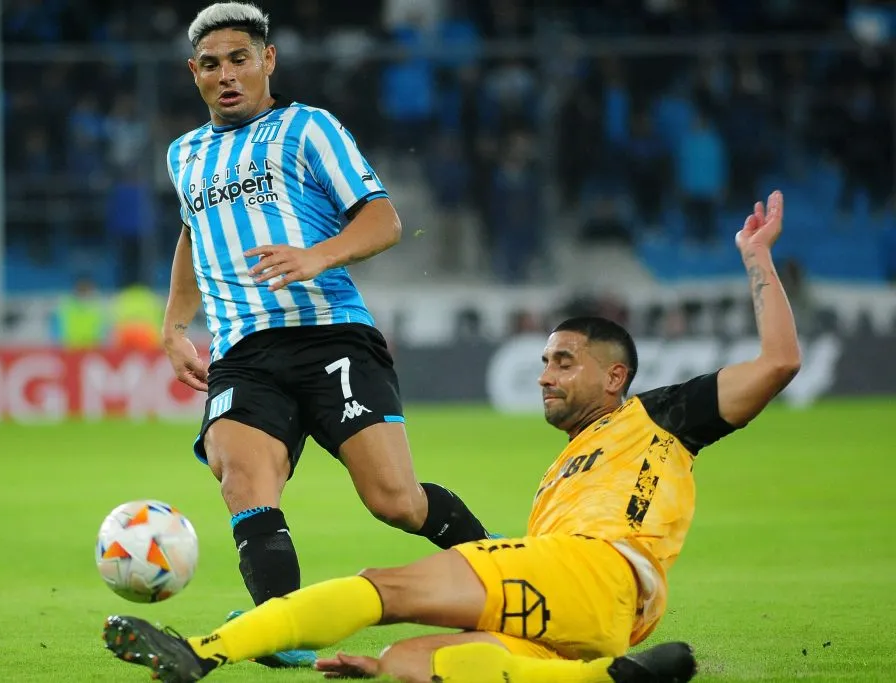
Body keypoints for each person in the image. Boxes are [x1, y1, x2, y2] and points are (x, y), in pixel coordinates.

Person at [102, 191, 800, 682]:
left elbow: (778, 363)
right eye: (543, 362)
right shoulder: (560, 473)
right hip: (607, 616)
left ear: (616, 374)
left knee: (384, 586)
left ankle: (201, 649)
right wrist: (377, 666)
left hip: (595, 568)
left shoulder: (658, 416)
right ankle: (605, 675)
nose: (545, 376)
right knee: (408, 659)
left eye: (563, 360)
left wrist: (756, 257)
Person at [157, 1, 494, 668]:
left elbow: (383, 220)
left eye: (239, 60)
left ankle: (508, 571)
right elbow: (194, 234)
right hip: (242, 351)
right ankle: (284, 627)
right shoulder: (184, 153)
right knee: (242, 477)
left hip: (330, 335)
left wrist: (317, 255)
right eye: (211, 64)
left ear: (268, 61)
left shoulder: (308, 129)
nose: (226, 74)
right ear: (192, 72)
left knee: (394, 500)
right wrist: (173, 323)